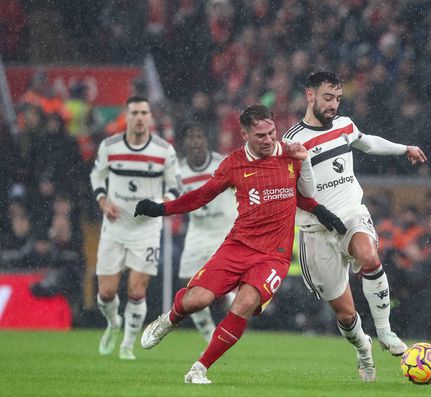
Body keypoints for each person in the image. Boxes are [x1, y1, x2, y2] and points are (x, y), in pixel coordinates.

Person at [134, 104, 342, 384]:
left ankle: (199, 367)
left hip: (274, 256)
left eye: (271, 133)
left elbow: (299, 195)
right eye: (260, 136)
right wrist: (161, 209)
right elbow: (201, 196)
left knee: (243, 304)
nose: (268, 140)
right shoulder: (234, 164)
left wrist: (321, 211)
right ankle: (171, 318)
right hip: (238, 246)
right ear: (244, 135)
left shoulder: (290, 155)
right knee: (199, 300)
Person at [283, 71, 427, 382]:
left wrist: (404, 148)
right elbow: (292, 193)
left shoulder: (345, 125)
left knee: (370, 256)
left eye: (337, 99)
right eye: (327, 98)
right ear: (310, 96)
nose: (333, 105)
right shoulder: (293, 141)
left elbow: (367, 144)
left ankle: (386, 332)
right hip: (316, 229)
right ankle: (364, 351)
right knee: (346, 315)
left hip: (351, 213)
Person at [90, 96, 181, 360]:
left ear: (150, 118)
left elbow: (174, 186)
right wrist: (103, 201)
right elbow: (97, 175)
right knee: (105, 293)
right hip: (115, 226)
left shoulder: (164, 150)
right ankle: (112, 323)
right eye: (135, 113)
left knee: (137, 291)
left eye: (144, 112)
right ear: (127, 117)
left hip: (146, 229)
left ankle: (128, 344)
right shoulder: (109, 146)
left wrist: (161, 204)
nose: (140, 117)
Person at [177, 122, 237, 342]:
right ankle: (209, 335)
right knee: (189, 284)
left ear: (206, 140)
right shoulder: (179, 172)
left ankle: (230, 304)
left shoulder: (222, 164)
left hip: (224, 230)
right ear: (184, 142)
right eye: (191, 137)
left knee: (216, 285)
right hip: (197, 231)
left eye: (199, 136)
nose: (195, 142)